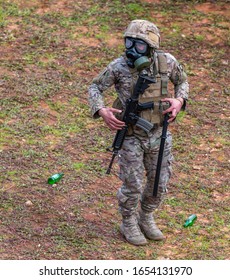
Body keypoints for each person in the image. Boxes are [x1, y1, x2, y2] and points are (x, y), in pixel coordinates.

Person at [88, 19, 189, 246]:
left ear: (151, 47)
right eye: (129, 42)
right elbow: (95, 86)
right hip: (131, 135)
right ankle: (128, 222)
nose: (132, 49)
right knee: (132, 184)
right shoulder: (119, 66)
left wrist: (179, 100)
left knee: (159, 183)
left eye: (139, 45)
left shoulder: (167, 62)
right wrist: (101, 109)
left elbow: (182, 82)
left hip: (159, 133)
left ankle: (146, 217)